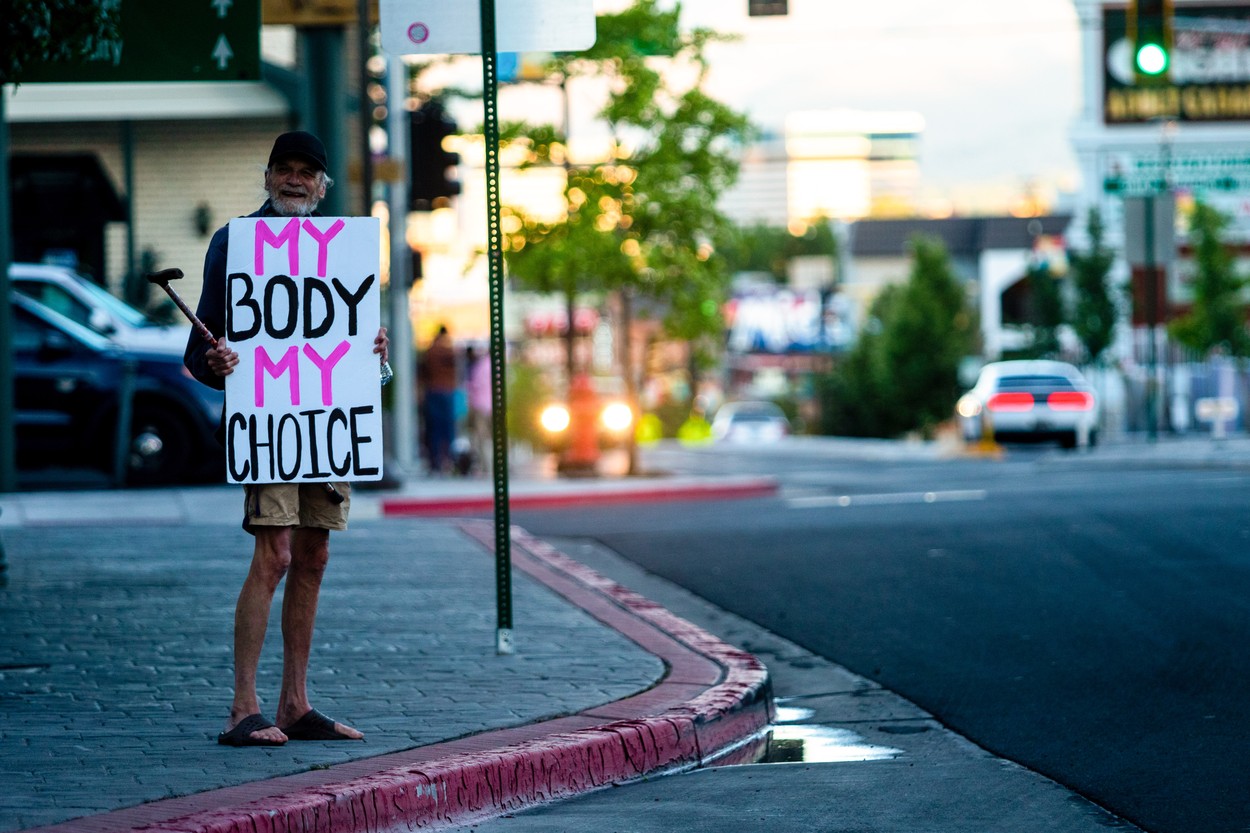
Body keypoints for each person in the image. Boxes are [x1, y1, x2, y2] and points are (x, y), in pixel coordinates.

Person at [184, 131, 389, 747]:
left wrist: (376, 354)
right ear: (267, 175)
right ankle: (242, 708)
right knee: (273, 556)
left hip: (326, 424)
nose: (294, 180)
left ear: (323, 186)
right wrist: (215, 362)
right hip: (271, 425)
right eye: (284, 169)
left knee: (315, 557)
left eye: (307, 172)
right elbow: (199, 350)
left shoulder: (345, 251)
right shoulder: (236, 242)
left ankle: (294, 704)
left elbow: (359, 353)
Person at [419, 325, 458, 474]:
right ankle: (448, 461)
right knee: (448, 428)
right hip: (447, 391)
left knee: (434, 428)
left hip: (433, 390)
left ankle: (435, 462)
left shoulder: (430, 351)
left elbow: (423, 373)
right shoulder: (450, 351)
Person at [464, 345, 493, 475]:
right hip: (493, 406)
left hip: (481, 405)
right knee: (492, 437)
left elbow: (473, 386)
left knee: (481, 438)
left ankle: (486, 466)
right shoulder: (498, 366)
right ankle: (492, 466)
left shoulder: (481, 366)